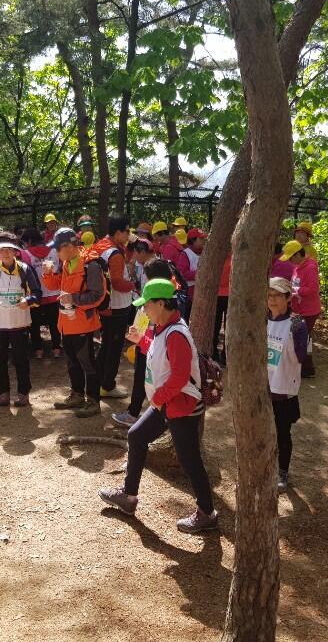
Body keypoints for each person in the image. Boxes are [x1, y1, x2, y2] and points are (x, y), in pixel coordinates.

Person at [99, 278, 218, 533]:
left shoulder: (176, 334)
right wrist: (140, 340)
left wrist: (159, 397)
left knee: (189, 460)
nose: (143, 310)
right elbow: (158, 352)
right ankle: (128, 497)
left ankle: (207, 513)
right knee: (137, 435)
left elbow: (180, 375)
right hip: (167, 404)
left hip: (181, 406)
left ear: (161, 303)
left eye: (147, 305)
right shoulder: (164, 327)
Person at [43, 227, 106, 415]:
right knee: (72, 363)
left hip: (83, 325)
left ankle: (93, 401)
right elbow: (54, 286)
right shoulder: (66, 263)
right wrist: (48, 273)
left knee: (87, 363)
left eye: (57, 248)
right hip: (66, 323)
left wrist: (74, 298)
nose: (56, 252)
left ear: (69, 246)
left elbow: (98, 296)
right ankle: (77, 395)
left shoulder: (90, 266)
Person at [112, 258, 176, 427]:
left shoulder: (159, 298)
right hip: (146, 343)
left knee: (145, 380)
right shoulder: (168, 292)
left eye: (147, 276)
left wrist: (140, 337)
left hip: (149, 347)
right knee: (146, 381)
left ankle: (135, 414)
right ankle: (142, 413)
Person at [0, 233, 41, 407]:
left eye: (9, 249)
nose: (5, 253)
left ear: (16, 252)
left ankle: (23, 393)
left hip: (18, 323)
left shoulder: (25, 269)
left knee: (21, 360)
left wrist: (28, 300)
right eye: (2, 250)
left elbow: (37, 293)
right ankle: (3, 392)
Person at [267, 277, 311, 492]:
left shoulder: (296, 323)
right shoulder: (260, 318)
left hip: (283, 387)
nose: (272, 299)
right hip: (262, 386)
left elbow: (304, 358)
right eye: (269, 295)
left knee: (282, 432)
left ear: (288, 297)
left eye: (277, 295)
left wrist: (296, 342)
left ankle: (282, 472)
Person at [94, 217, 135, 403]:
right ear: (118, 233)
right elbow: (118, 283)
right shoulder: (115, 254)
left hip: (105, 306)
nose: (129, 234)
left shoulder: (102, 245)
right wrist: (134, 285)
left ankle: (98, 383)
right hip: (116, 306)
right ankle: (107, 386)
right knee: (113, 348)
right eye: (127, 231)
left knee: (106, 346)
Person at [21, 228, 62, 359]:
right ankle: (56, 348)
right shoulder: (54, 251)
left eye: (25, 242)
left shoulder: (25, 254)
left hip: (36, 295)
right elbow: (59, 269)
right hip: (54, 293)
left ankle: (38, 350)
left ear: (29, 241)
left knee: (35, 324)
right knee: (54, 323)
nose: (24, 245)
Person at [290, 244, 321, 378]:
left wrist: (296, 291)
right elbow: (295, 283)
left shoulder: (310, 267)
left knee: (302, 336)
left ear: (297, 255)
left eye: (291, 258)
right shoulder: (297, 266)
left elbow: (313, 290)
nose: (289, 261)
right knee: (296, 335)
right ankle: (302, 366)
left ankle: (307, 368)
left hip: (308, 311)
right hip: (297, 309)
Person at [176, 227, 206, 319]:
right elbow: (182, 274)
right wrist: (200, 274)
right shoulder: (185, 254)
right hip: (189, 293)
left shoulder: (205, 252)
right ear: (193, 240)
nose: (203, 241)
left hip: (202, 291)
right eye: (201, 239)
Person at [213, 253, 232, 366]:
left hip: (219, 295)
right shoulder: (235, 258)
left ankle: (215, 354)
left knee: (216, 326)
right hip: (228, 296)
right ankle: (224, 356)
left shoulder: (216, 257)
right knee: (227, 327)